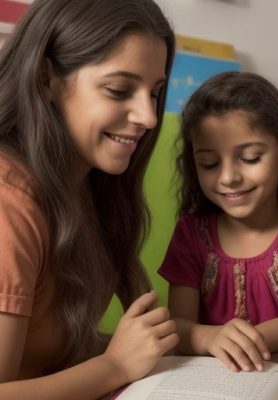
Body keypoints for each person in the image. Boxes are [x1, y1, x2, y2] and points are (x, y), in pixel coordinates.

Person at [0, 0, 179, 397]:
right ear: (45, 78)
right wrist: (114, 366)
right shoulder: (8, 204)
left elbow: (58, 353)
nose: (149, 117)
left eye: (154, 93)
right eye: (119, 90)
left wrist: (195, 338)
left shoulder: (89, 185)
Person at [160, 72, 278, 372]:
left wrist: (238, 343)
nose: (228, 177)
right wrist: (210, 337)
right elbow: (180, 324)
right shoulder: (190, 234)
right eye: (209, 163)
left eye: (250, 158)